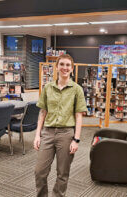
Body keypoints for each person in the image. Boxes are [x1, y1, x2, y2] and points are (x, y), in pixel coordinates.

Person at [34, 54, 87, 197]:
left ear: (72, 68)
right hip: (47, 133)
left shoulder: (77, 89)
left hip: (66, 134)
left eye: (68, 65)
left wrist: (76, 139)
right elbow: (42, 112)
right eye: (62, 64)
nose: (65, 68)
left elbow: (79, 116)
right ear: (56, 67)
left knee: (63, 173)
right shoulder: (48, 88)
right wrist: (37, 135)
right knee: (39, 171)